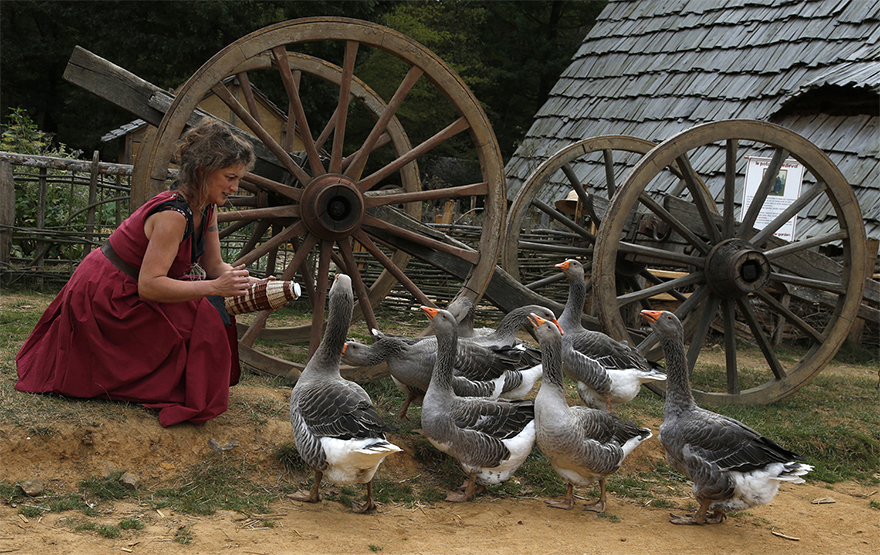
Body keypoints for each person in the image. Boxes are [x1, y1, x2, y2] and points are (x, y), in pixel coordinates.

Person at [16, 119, 260, 427]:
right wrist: (215, 288)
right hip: (108, 296)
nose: (236, 187)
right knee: (204, 320)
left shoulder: (206, 207)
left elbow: (215, 267)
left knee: (208, 316)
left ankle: (178, 381)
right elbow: (150, 286)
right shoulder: (173, 215)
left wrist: (247, 282)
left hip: (132, 286)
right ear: (203, 171)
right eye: (230, 177)